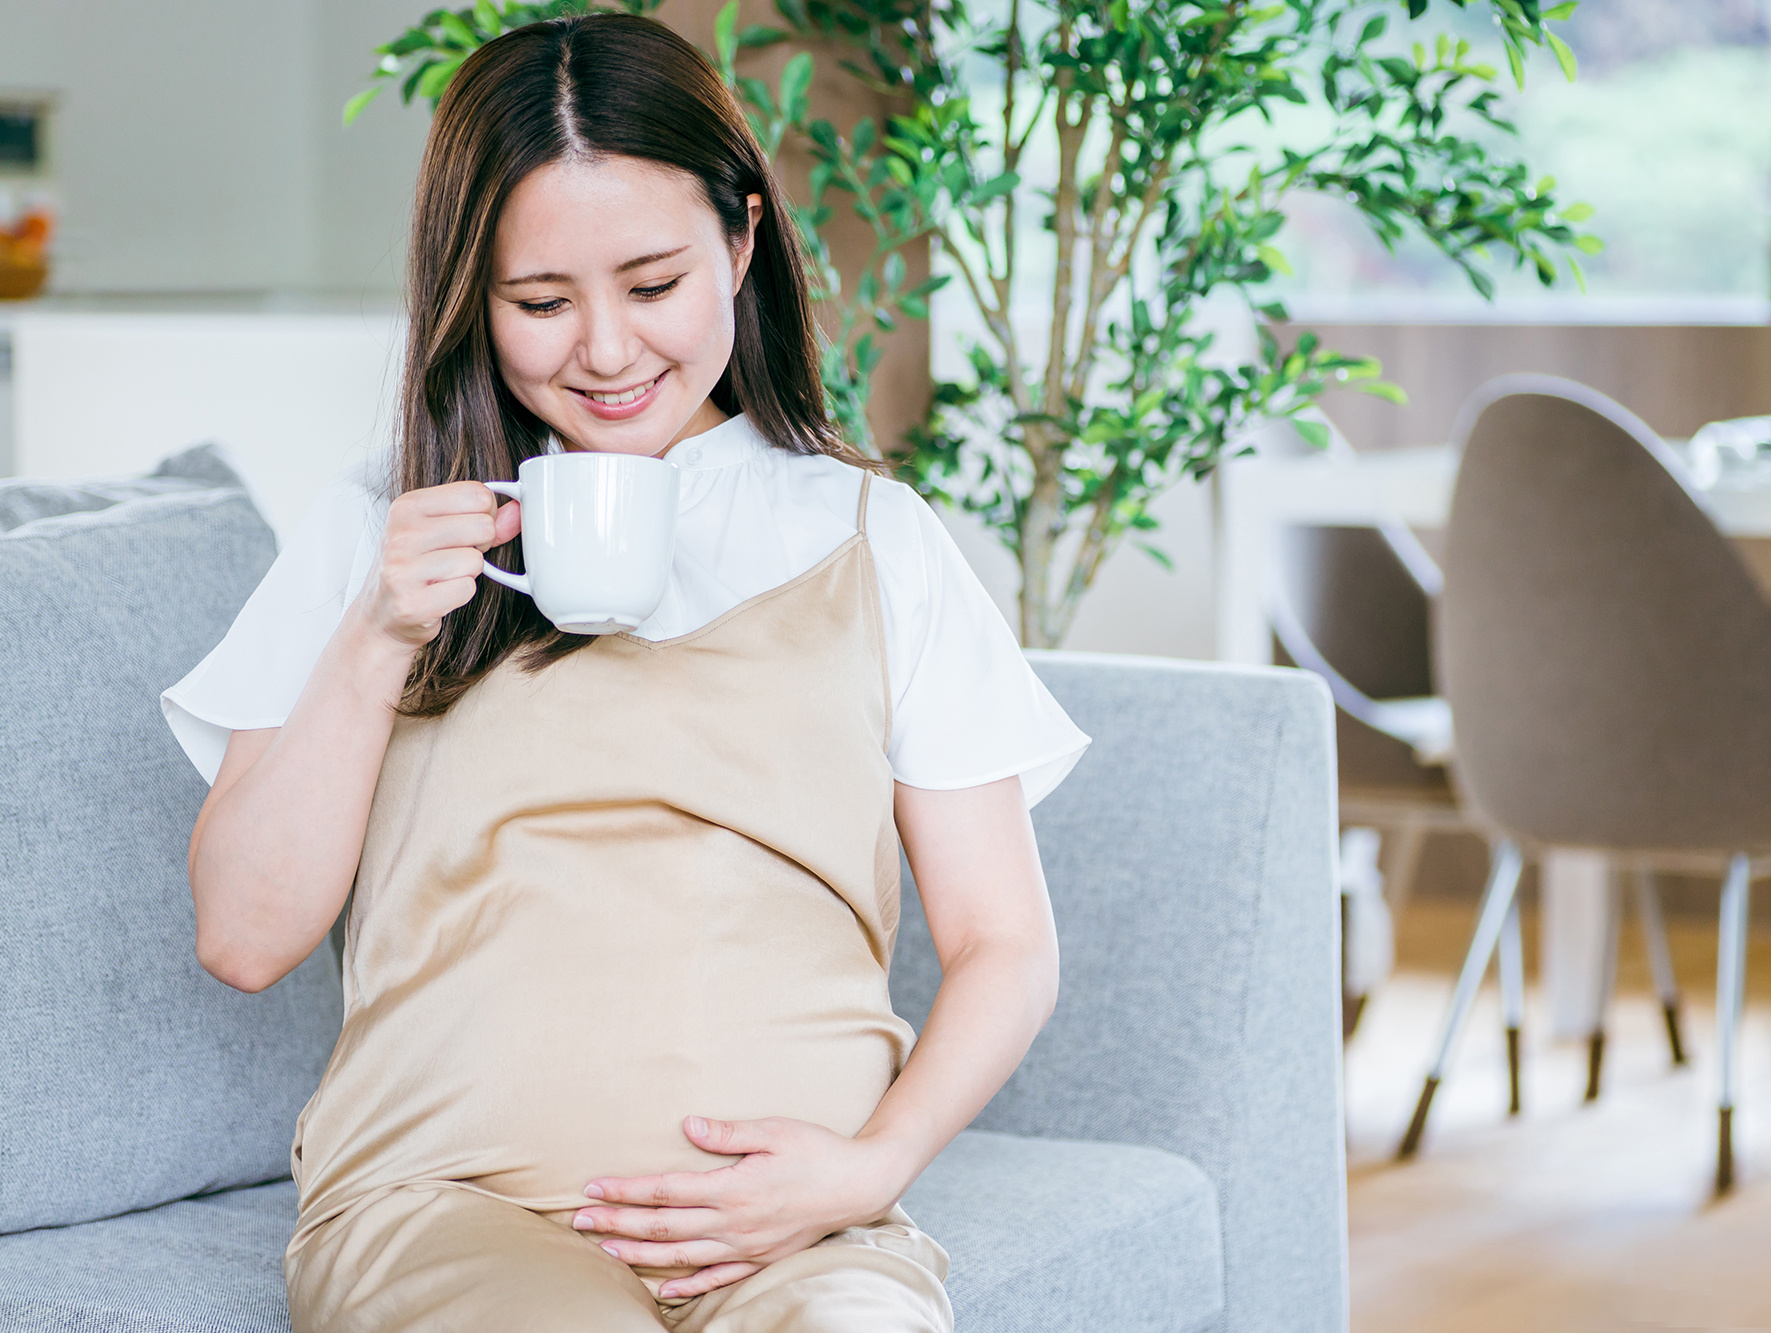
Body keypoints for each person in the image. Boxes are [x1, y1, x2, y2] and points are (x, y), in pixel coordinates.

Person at [166, 13, 1086, 1331]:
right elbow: (243, 937)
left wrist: (866, 1169)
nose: (602, 351)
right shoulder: (384, 532)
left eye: (652, 286)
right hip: (446, 1207)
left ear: (744, 242)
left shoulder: (877, 537)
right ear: (468, 294)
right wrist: (376, 636)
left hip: (799, 1236)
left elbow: (1005, 941)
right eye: (540, 303)